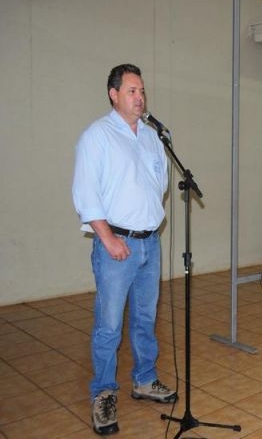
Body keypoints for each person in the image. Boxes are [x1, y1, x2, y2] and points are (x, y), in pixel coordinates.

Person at [73, 64, 176, 435]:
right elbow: (86, 195)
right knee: (109, 325)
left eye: (143, 91)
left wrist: (148, 226)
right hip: (116, 244)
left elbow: (159, 187)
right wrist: (109, 239)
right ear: (113, 94)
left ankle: (145, 380)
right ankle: (103, 394)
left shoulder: (151, 137)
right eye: (132, 90)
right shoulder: (97, 136)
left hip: (150, 242)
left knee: (146, 319)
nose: (140, 97)